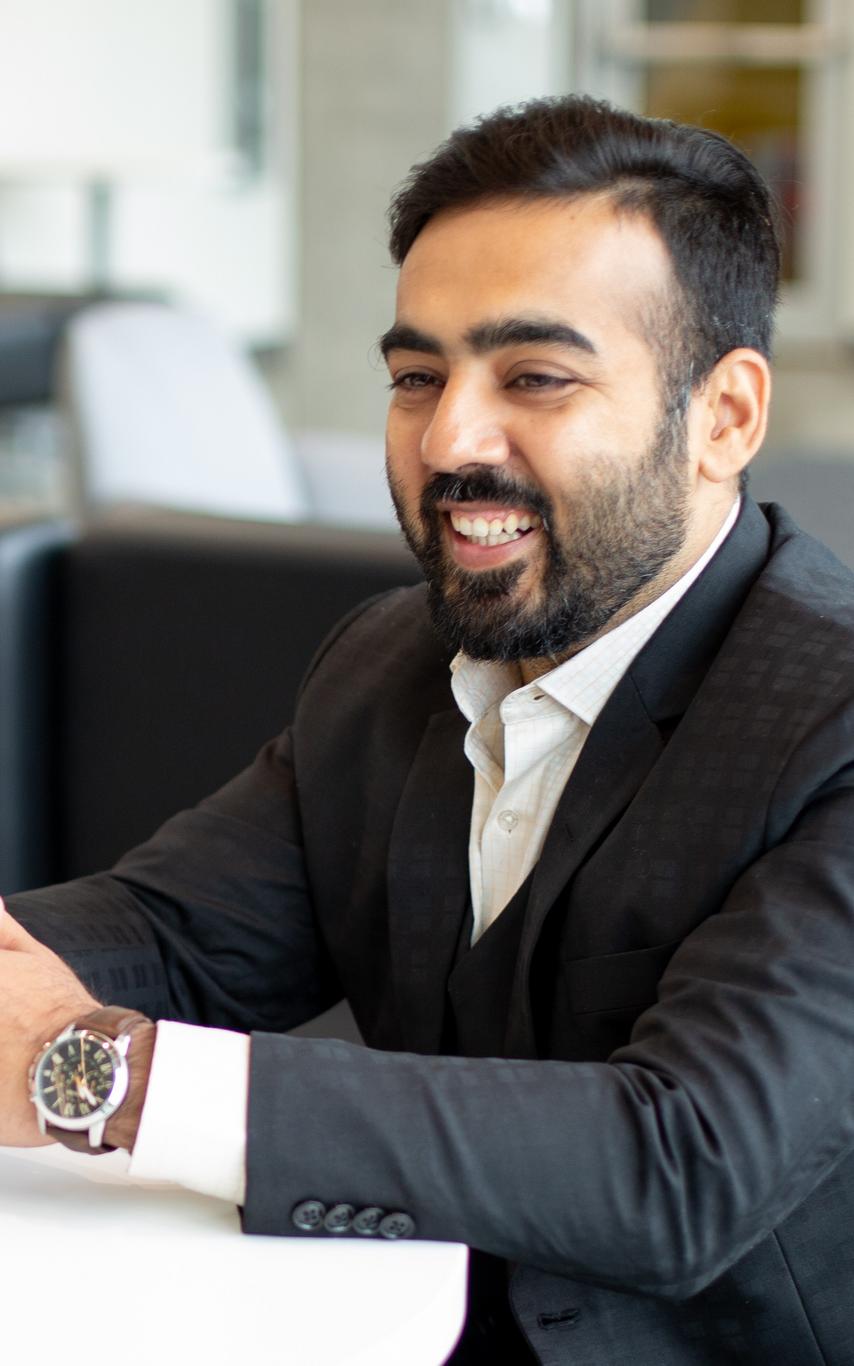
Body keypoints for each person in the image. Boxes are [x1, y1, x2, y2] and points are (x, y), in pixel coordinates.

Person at [2, 94, 853, 1365]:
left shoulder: (831, 717)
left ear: (722, 417)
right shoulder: (389, 659)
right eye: (415, 376)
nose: (448, 438)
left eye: (534, 377)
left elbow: (677, 1162)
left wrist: (102, 1079)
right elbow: (173, 934)